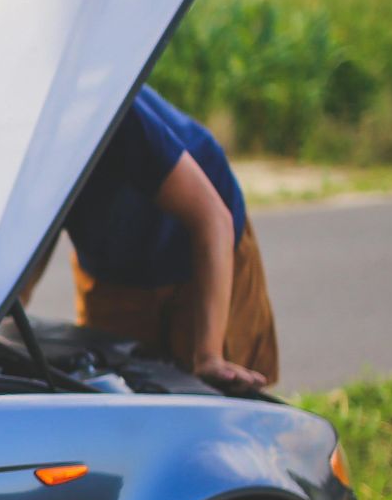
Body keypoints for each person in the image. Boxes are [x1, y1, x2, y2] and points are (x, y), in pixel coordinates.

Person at [40, 86, 278, 390]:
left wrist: (209, 355)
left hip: (203, 248)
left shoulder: (110, 112)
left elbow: (212, 220)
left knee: (215, 393)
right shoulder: (14, 142)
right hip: (112, 264)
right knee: (117, 391)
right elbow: (34, 235)